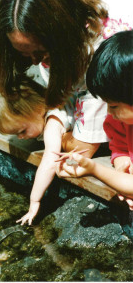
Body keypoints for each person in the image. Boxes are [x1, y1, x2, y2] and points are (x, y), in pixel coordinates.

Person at [0, 0, 133, 160]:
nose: (35, 62)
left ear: (60, 34)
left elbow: (83, 147)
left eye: (40, 52)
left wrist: (53, 133)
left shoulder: (101, 55)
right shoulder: (57, 44)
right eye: (25, 54)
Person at [0, 75, 86, 225]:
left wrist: (34, 201)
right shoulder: (48, 106)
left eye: (22, 131)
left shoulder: (52, 125)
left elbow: (50, 162)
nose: (20, 138)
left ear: (39, 109)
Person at [56, 30, 133, 210]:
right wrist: (120, 158)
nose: (108, 112)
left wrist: (94, 169)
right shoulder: (119, 121)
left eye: (113, 105)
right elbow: (119, 144)